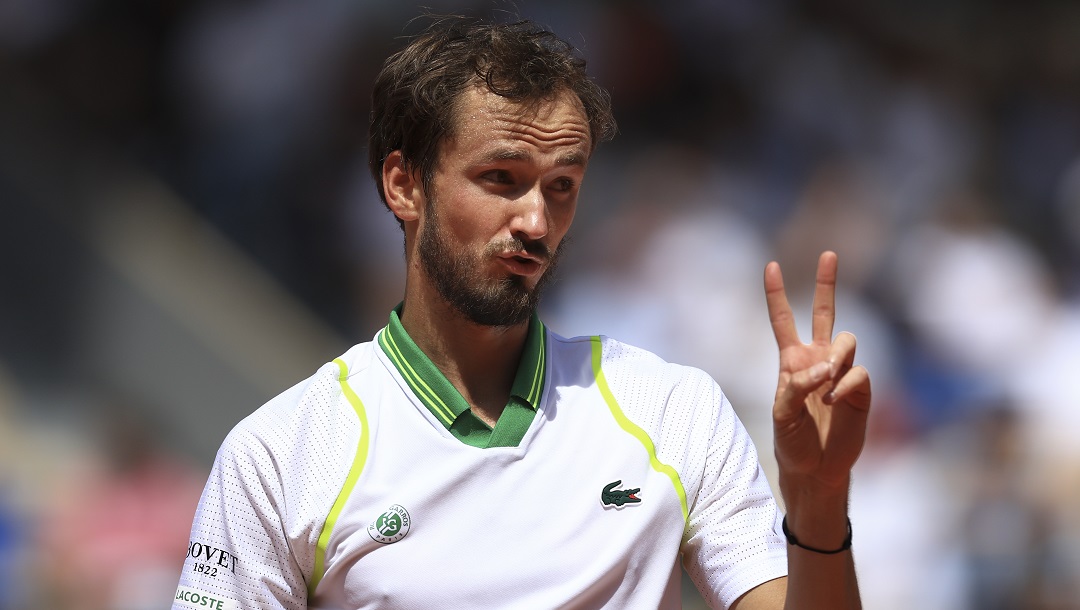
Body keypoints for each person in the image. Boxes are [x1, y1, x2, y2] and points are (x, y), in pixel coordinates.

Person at [173, 16, 870, 610]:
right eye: (500, 179)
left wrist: (818, 498)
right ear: (404, 184)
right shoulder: (278, 456)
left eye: (561, 186)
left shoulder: (674, 412)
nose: (536, 220)